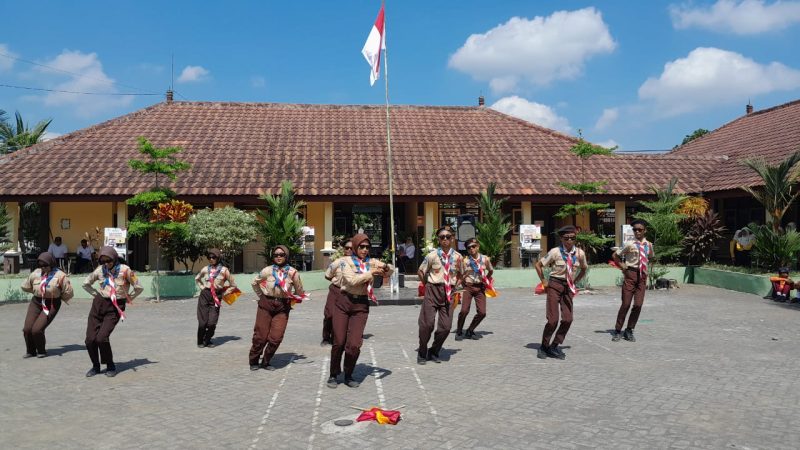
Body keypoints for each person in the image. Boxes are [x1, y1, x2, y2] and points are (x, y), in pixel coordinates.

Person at [328, 233, 392, 388]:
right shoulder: (345, 262)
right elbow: (351, 280)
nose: (364, 250)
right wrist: (371, 273)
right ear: (355, 247)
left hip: (361, 306)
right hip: (343, 303)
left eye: (367, 247)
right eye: (361, 247)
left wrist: (386, 267)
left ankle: (349, 374)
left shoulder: (371, 262)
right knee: (339, 341)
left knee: (354, 344)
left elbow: (390, 271)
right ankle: (333, 373)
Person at [82, 246, 144, 377]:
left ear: (114, 259)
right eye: (103, 261)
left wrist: (129, 298)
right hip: (98, 304)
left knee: (102, 338)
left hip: (115, 307)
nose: (106, 264)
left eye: (109, 260)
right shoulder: (100, 270)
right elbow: (86, 283)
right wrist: (95, 294)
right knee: (90, 339)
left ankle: (110, 365)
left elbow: (139, 287)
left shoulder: (125, 270)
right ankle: (95, 366)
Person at [249, 245, 306, 371]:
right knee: (260, 336)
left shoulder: (293, 272)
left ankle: (266, 361)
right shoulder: (267, 270)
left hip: (282, 307)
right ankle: (253, 359)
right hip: (266, 304)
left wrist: (298, 296)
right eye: (276, 255)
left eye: (281, 255)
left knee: (276, 337)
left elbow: (299, 291)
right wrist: (261, 296)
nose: (278, 257)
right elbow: (254, 283)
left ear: (286, 256)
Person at [534, 225, 588, 360]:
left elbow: (583, 268)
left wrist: (575, 281)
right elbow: (538, 265)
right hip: (555, 285)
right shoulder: (555, 252)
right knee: (552, 320)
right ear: (561, 239)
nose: (569, 241)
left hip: (568, 287)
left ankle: (555, 345)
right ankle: (544, 346)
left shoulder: (580, 253)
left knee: (568, 319)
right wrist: (544, 281)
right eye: (566, 238)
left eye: (572, 238)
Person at [417, 226, 463, 365]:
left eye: (447, 237)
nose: (445, 239)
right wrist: (427, 285)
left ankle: (434, 350)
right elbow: (421, 271)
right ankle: (422, 351)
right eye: (442, 237)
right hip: (432, 290)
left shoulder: (458, 257)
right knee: (427, 325)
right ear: (438, 239)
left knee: (446, 327)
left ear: (452, 239)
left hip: (449, 293)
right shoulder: (432, 256)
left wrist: (455, 285)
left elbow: (461, 274)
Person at [20, 252, 74, 358]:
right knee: (27, 329)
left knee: (37, 329)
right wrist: (37, 292)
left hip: (51, 304)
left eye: (45, 265)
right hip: (36, 302)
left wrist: (57, 297)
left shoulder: (60, 276)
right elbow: (26, 286)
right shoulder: (35, 273)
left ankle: (41, 350)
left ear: (52, 263)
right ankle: (31, 351)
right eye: (41, 265)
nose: (43, 268)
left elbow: (68, 293)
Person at [611, 219, 655, 343]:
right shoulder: (630, 244)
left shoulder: (649, 245)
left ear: (645, 231)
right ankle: (618, 330)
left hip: (642, 276)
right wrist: (623, 266)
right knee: (625, 304)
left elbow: (650, 257)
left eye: (640, 229)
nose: (637, 232)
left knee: (638, 305)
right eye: (635, 229)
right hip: (630, 274)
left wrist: (647, 270)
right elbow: (615, 255)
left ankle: (629, 330)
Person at [194, 248, 237, 348]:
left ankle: (207, 340)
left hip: (216, 296)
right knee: (202, 322)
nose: (211, 259)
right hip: (205, 295)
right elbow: (197, 278)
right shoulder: (205, 269)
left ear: (218, 258)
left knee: (212, 323)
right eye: (209, 257)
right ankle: (200, 340)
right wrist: (202, 287)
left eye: (213, 257)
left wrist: (224, 294)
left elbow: (233, 285)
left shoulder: (224, 270)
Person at [455, 238, 493, 341]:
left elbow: (490, 271)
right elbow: (461, 275)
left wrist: (487, 281)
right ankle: (459, 331)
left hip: (480, 287)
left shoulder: (485, 259)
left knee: (482, 312)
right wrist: (462, 285)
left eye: (473, 246)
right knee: (464, 311)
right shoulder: (465, 261)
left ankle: (470, 330)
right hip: (468, 287)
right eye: (469, 247)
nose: (471, 249)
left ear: (478, 246)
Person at [321, 240, 352, 346]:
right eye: (346, 248)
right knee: (329, 314)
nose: (348, 250)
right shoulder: (338, 262)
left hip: (349, 292)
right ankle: (326, 337)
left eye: (351, 248)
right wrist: (337, 282)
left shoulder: (358, 263)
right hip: (336, 290)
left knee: (342, 316)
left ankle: (339, 337)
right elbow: (327, 275)